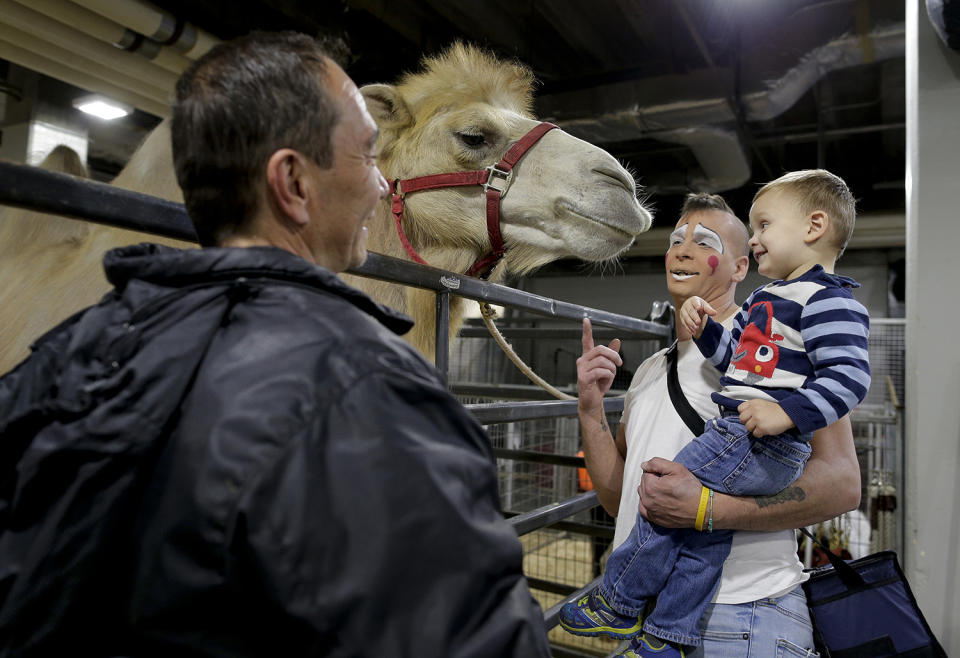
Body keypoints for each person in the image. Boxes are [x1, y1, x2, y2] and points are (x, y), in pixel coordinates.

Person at [0, 32, 552, 657]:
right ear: (292, 181)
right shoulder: (366, 392)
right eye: (369, 157)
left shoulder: (57, 357)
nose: (380, 187)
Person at [565, 190, 865, 658]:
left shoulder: (780, 353)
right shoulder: (649, 371)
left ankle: (617, 600)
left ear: (741, 268)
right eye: (675, 240)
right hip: (653, 624)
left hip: (742, 614)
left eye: (704, 242)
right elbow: (620, 496)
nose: (682, 250)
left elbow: (843, 485)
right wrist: (589, 409)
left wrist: (708, 511)